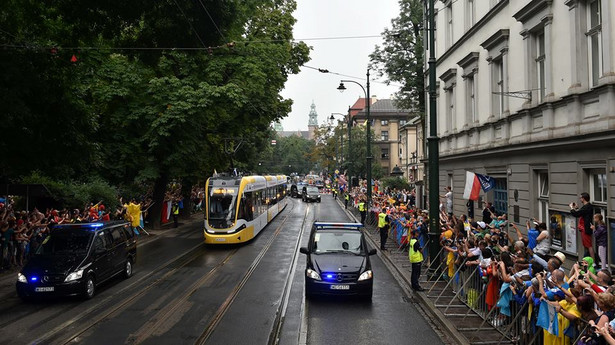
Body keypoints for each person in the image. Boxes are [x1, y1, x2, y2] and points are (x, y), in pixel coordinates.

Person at [570, 192, 595, 261]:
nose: (580, 199)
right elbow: (581, 212)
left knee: (589, 245)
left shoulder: (587, 207)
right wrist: (577, 208)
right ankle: (588, 259)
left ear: (583, 199)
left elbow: (577, 214)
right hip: (585, 228)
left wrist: (572, 208)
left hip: (585, 228)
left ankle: (593, 261)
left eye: (580, 198)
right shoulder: (587, 206)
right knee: (586, 245)